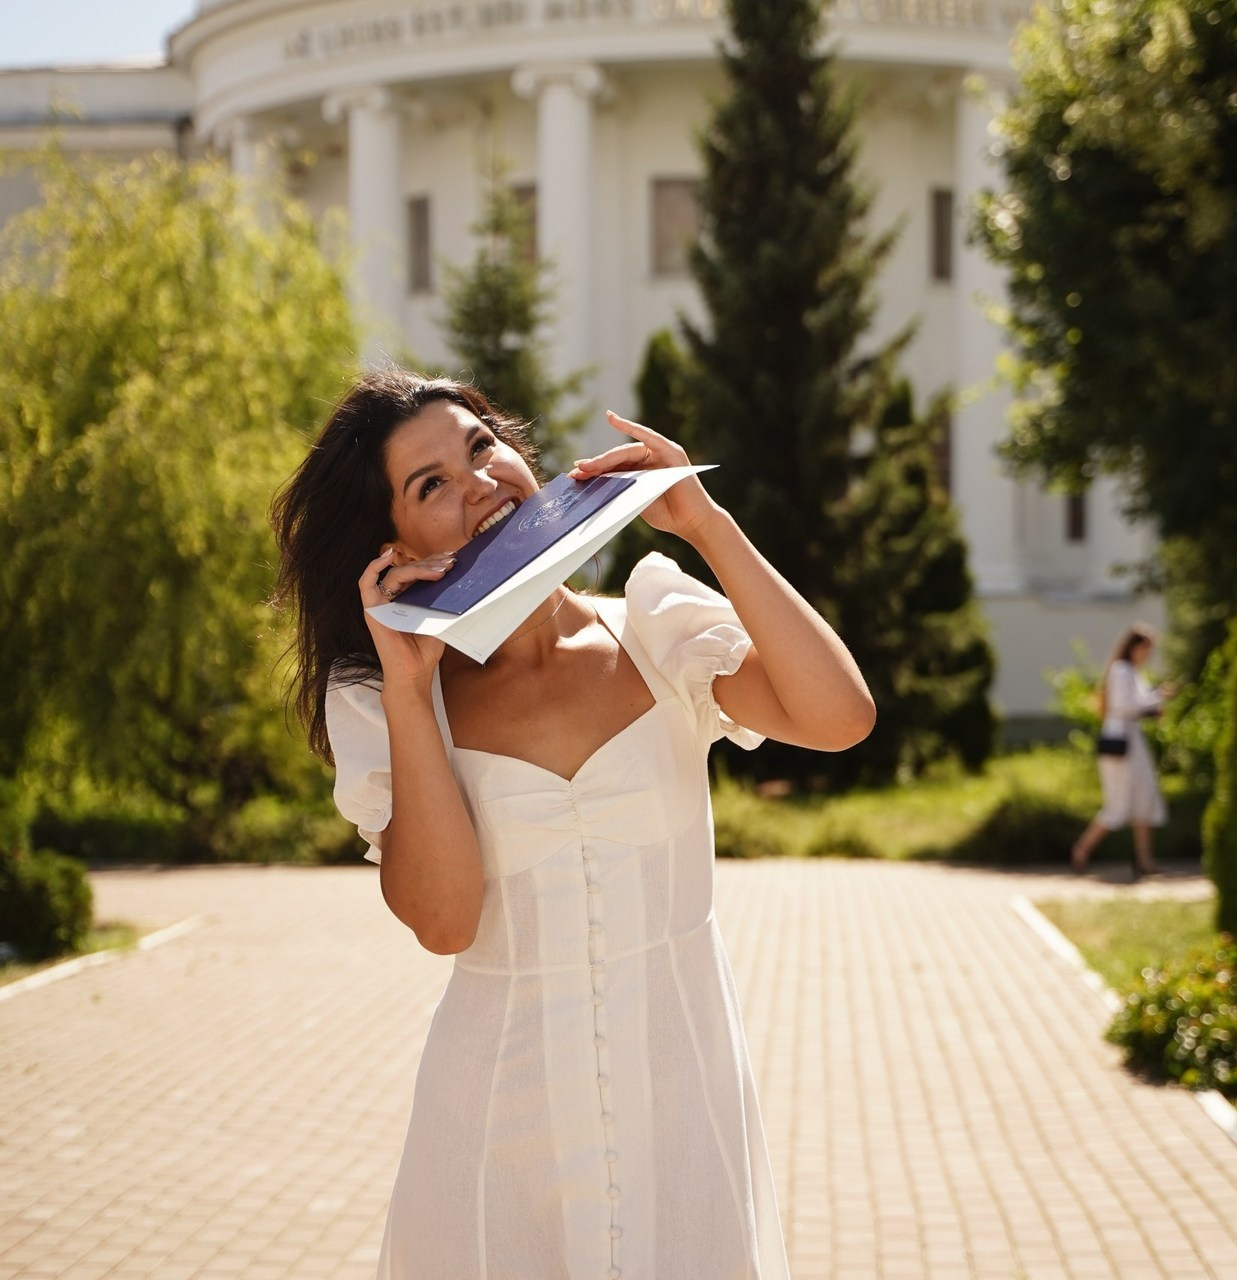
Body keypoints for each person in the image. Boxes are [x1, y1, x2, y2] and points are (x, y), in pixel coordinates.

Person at [271, 368, 875, 1280]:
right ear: (390, 542)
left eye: (480, 448)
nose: (477, 482)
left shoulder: (658, 629)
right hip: (494, 1134)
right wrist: (408, 684)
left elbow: (840, 718)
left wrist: (707, 523)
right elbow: (444, 922)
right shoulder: (391, 703)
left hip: (684, 1107)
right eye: (429, 485)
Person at [1070, 623, 1172, 880]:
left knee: (1144, 797)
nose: (1147, 656)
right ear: (1134, 647)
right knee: (1118, 804)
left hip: (1132, 739)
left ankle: (1145, 859)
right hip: (1119, 741)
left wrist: (1155, 699)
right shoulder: (1121, 671)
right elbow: (1126, 705)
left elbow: (1139, 702)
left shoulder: (1134, 673)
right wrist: (1156, 699)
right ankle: (1082, 850)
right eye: (1145, 650)